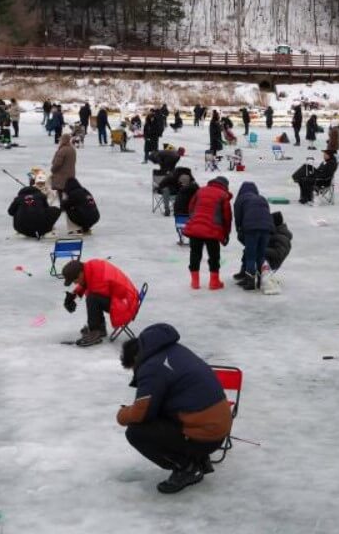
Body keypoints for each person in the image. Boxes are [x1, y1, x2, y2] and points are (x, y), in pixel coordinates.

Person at [116, 323, 232, 493]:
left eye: (133, 369)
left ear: (135, 359)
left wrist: (123, 414)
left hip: (206, 434)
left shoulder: (151, 367)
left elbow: (142, 413)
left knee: (136, 432)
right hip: (218, 426)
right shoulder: (173, 349)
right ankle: (197, 458)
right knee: (157, 417)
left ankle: (188, 467)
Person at [61, 258, 140, 347]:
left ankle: (95, 331)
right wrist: (73, 296)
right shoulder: (90, 268)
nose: (75, 283)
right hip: (126, 299)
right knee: (94, 297)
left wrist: (75, 297)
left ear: (80, 274)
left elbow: (92, 292)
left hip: (127, 305)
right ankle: (100, 329)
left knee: (92, 298)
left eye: (74, 280)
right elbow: (88, 283)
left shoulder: (98, 276)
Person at [183, 176, 232, 290]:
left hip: (196, 228)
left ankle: (195, 282)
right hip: (213, 231)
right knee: (214, 256)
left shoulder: (200, 191)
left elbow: (191, 207)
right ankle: (214, 282)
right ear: (225, 186)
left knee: (195, 253)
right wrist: (226, 233)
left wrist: (194, 220)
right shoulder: (223, 195)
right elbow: (227, 217)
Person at [233, 182, 274, 291]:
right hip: (267, 228)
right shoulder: (262, 198)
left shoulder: (241, 199)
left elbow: (238, 217)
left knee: (251, 255)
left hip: (251, 228)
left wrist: (239, 230)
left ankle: (250, 281)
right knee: (261, 255)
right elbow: (267, 213)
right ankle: (261, 281)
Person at [50, 134, 77, 202]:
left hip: (61, 175)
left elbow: (57, 163)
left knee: (60, 191)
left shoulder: (63, 150)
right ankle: (69, 205)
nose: (60, 141)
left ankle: (62, 206)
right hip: (71, 173)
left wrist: (53, 169)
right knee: (68, 190)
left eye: (61, 140)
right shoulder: (72, 149)